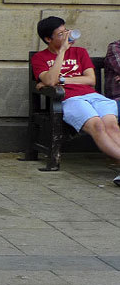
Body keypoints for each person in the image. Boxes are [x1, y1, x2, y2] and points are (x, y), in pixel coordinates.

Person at [31, 16, 120, 186]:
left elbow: (90, 80)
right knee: (97, 126)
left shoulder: (80, 52)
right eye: (60, 34)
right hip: (70, 99)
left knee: (111, 125)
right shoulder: (40, 58)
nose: (66, 36)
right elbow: (49, 81)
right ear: (48, 39)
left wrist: (61, 79)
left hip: (94, 97)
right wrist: (62, 52)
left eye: (66, 31)